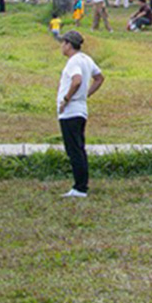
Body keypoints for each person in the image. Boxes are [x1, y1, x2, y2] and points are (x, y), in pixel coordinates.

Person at [54, 31, 104, 198]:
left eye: (63, 43)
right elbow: (99, 78)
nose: (62, 47)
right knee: (79, 148)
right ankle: (82, 184)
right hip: (81, 109)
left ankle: (80, 187)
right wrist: (87, 94)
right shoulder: (86, 59)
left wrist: (66, 99)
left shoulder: (73, 62)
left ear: (69, 44)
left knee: (74, 150)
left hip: (71, 112)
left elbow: (77, 80)